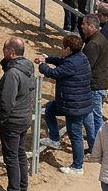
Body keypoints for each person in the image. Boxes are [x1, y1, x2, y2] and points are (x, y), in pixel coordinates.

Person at [37, 34, 93, 174]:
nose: (61, 50)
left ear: (68, 49)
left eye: (63, 47)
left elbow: (53, 73)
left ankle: (77, 166)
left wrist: (42, 65)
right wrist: (48, 58)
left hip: (74, 106)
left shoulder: (71, 63)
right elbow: (61, 62)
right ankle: (54, 138)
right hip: (76, 102)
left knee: (76, 135)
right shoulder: (80, 57)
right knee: (50, 108)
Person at [0, 38, 36, 191]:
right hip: (24, 117)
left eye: (4, 49)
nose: (2, 51)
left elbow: (7, 101)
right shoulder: (27, 67)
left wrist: (1, 119)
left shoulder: (12, 74)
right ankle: (23, 190)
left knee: (11, 157)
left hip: (12, 120)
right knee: (20, 154)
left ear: (11, 51)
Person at [79, 15, 108, 149]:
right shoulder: (99, 38)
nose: (81, 26)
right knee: (95, 115)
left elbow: (86, 66)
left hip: (95, 85)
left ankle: (97, 146)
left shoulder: (93, 44)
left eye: (84, 24)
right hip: (101, 82)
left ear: (91, 27)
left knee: (94, 117)